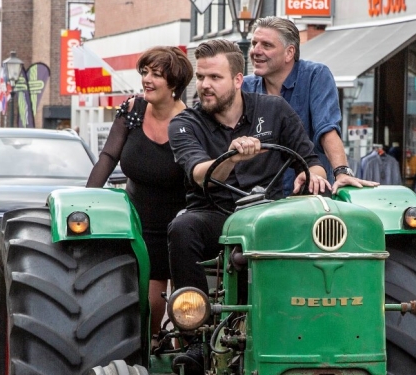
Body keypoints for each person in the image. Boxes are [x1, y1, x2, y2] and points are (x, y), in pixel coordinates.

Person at [167, 39, 330, 374]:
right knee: (183, 228)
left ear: (238, 80)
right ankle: (198, 337)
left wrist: (313, 176)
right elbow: (200, 174)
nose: (205, 86)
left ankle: (321, 324)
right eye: (201, 77)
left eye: (215, 77)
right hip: (215, 216)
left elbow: (309, 159)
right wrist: (231, 155)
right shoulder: (185, 123)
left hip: (268, 215)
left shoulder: (275, 110)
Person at [85, 46, 193, 348]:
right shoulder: (132, 110)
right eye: (144, 72)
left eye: (156, 75)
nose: (146, 79)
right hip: (136, 222)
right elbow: (107, 156)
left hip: (180, 226)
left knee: (185, 312)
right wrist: (85, 200)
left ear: (174, 84)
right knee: (145, 311)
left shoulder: (191, 123)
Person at [242, 16, 378, 194]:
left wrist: (342, 171)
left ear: (289, 53)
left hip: (309, 195)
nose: (255, 51)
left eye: (266, 45)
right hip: (257, 197)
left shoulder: (315, 75)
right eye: (254, 43)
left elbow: (327, 129)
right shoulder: (245, 86)